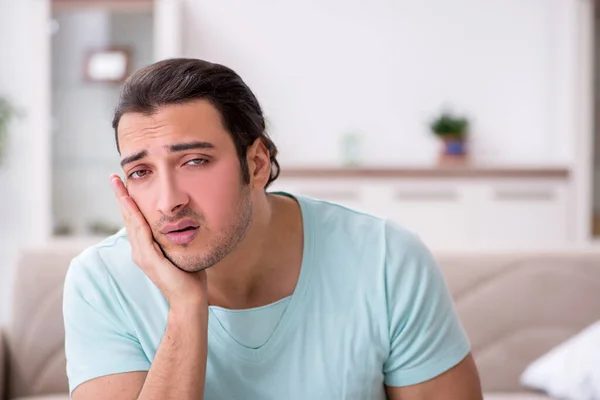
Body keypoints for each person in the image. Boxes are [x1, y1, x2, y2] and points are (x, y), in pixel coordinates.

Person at [62, 58, 483, 400]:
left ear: (258, 163)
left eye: (195, 161)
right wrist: (187, 309)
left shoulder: (387, 259)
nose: (167, 200)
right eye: (140, 172)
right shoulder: (99, 282)